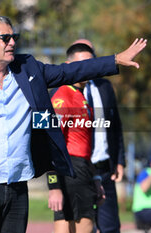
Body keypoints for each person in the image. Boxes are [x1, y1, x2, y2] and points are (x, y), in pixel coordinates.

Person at [0, 15, 147, 233]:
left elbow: (71, 70)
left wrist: (115, 59)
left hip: (18, 186)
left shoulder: (28, 68)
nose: (12, 43)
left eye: (14, 37)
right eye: (5, 38)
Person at [47, 43, 105, 233]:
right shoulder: (63, 95)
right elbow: (51, 141)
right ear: (68, 65)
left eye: (90, 64)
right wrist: (54, 185)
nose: (86, 70)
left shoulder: (81, 96)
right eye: (81, 65)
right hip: (70, 172)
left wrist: (95, 176)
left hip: (83, 170)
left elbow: (86, 144)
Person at [72, 39, 125, 233]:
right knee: (82, 226)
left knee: (110, 226)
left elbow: (115, 124)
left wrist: (119, 160)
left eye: (91, 55)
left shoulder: (104, 87)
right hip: (78, 171)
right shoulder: (62, 93)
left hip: (104, 169)